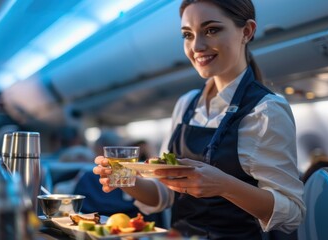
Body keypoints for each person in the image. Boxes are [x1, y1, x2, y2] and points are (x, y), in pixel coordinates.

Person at [93, 1, 305, 239]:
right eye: (187, 35)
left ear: (246, 31)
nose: (197, 46)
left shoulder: (266, 110)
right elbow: (163, 195)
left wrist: (224, 185)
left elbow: (292, 214)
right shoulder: (186, 104)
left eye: (211, 30)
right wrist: (124, 178)